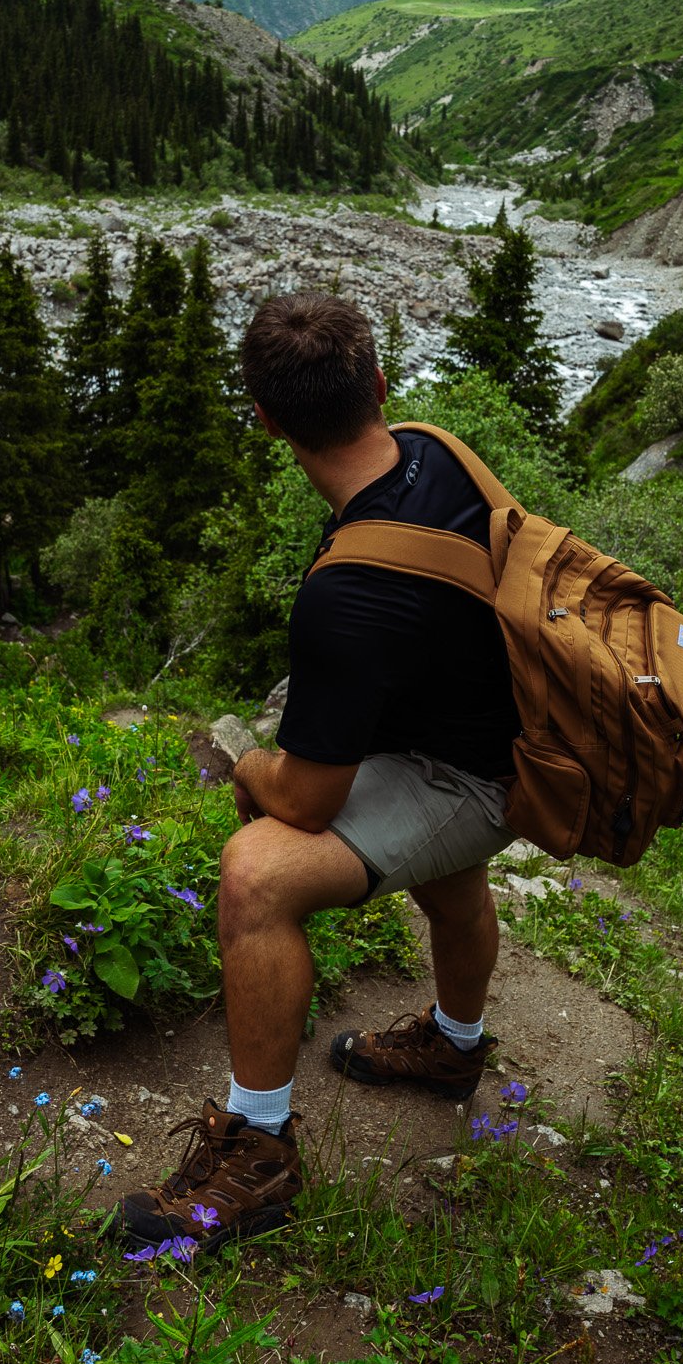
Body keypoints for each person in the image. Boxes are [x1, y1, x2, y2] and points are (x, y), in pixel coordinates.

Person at [121, 293, 521, 1252]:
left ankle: (256, 1153)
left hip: (474, 774)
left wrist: (252, 765)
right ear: (380, 388)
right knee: (448, 884)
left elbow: (305, 799)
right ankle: (454, 1053)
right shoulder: (436, 450)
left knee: (255, 876)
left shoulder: (346, 595)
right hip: (504, 733)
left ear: (265, 420)